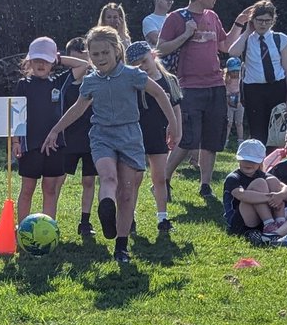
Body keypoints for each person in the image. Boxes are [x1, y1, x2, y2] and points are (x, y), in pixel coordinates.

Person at [42, 26, 178, 265]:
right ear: (89, 56)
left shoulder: (131, 75)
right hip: (101, 135)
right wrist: (55, 129)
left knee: (126, 193)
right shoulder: (91, 81)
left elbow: (159, 94)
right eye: (95, 55)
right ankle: (105, 209)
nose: (100, 58)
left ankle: (121, 246)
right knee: (107, 177)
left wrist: (173, 124)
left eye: (105, 53)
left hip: (129, 136)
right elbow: (78, 108)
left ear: (117, 51)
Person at [156, 0, 255, 198]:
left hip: (216, 85)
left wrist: (240, 23)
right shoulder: (176, 18)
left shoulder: (213, 16)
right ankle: (163, 181)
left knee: (211, 138)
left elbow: (226, 45)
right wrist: (185, 34)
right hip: (189, 86)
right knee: (188, 138)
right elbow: (160, 50)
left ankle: (205, 185)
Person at [11, 36, 89, 224]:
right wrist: (15, 141)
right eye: (37, 59)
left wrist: (59, 58)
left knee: (50, 188)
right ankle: (22, 228)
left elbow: (84, 65)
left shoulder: (59, 82)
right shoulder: (23, 84)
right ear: (30, 61)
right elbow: (16, 114)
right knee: (28, 188)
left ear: (53, 62)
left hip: (55, 145)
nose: (41, 64)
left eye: (45, 60)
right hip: (30, 146)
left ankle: (48, 227)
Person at [125, 42, 182, 235]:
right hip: (136, 134)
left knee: (159, 177)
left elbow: (176, 107)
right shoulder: (132, 82)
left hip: (159, 133)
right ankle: (129, 218)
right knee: (134, 178)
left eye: (144, 61)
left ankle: (162, 217)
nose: (142, 66)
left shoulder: (169, 79)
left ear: (153, 55)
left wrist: (177, 130)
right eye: (136, 64)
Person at [227, 0, 287, 145]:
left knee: (277, 131)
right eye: (259, 20)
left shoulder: (280, 39)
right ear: (253, 20)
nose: (263, 24)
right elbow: (233, 52)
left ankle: (275, 165)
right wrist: (246, 32)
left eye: (267, 21)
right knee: (258, 133)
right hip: (254, 90)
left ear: (272, 21)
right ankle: (259, 164)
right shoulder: (248, 39)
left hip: (277, 87)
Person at [58, 37, 97, 237]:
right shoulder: (66, 80)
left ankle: (85, 222)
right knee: (58, 181)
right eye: (76, 57)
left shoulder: (96, 79)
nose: (83, 62)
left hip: (91, 139)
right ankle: (51, 220)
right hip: (68, 139)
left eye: (85, 55)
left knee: (89, 181)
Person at [222, 139, 287, 237]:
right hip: (239, 221)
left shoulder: (262, 174)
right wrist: (270, 197)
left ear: (261, 161)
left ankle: (279, 222)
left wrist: (279, 195)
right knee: (260, 183)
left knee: (273, 181)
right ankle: (269, 223)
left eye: (253, 160)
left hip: (258, 220)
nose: (248, 163)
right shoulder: (233, 177)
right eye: (245, 159)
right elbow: (241, 195)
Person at [263, 123, 287, 213]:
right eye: (286, 143)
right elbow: (264, 179)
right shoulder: (280, 167)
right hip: (281, 210)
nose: (286, 147)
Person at [224, 56, 244, 146]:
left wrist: (239, 96)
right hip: (229, 103)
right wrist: (228, 94)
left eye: (237, 71)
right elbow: (224, 90)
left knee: (239, 123)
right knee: (229, 122)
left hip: (239, 103)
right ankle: (225, 140)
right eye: (233, 71)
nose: (235, 73)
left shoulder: (241, 80)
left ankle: (240, 141)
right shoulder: (227, 80)